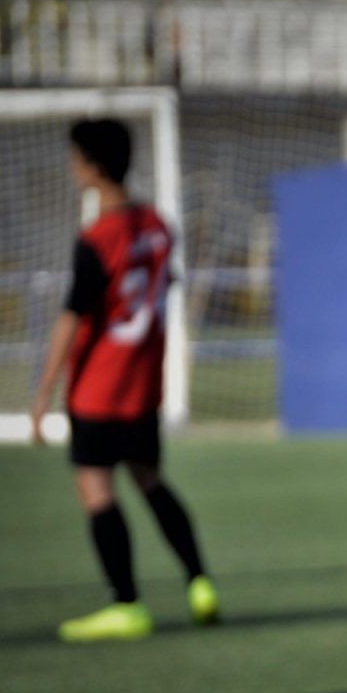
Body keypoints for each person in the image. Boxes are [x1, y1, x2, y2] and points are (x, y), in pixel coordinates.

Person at [31, 118, 219, 642]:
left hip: (98, 387)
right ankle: (200, 583)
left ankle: (127, 604)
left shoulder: (97, 238)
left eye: (75, 158)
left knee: (96, 488)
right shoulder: (158, 225)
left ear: (90, 165)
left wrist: (43, 392)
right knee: (151, 480)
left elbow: (73, 317)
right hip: (144, 386)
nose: (72, 168)